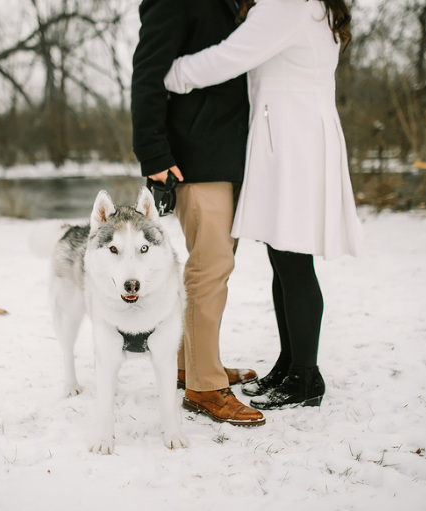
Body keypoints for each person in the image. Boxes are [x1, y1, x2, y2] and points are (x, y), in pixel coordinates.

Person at [164, 0, 363, 409]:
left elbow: (228, 58)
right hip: (295, 135)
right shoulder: (310, 6)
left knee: (293, 259)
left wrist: (171, 75)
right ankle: (291, 365)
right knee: (283, 256)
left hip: (293, 141)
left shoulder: (288, 5)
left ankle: (306, 377)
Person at [131, 0, 265, 426]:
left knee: (216, 265)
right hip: (196, 154)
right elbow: (147, 73)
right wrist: (153, 153)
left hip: (234, 155)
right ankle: (205, 386)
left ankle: (192, 364)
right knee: (211, 266)